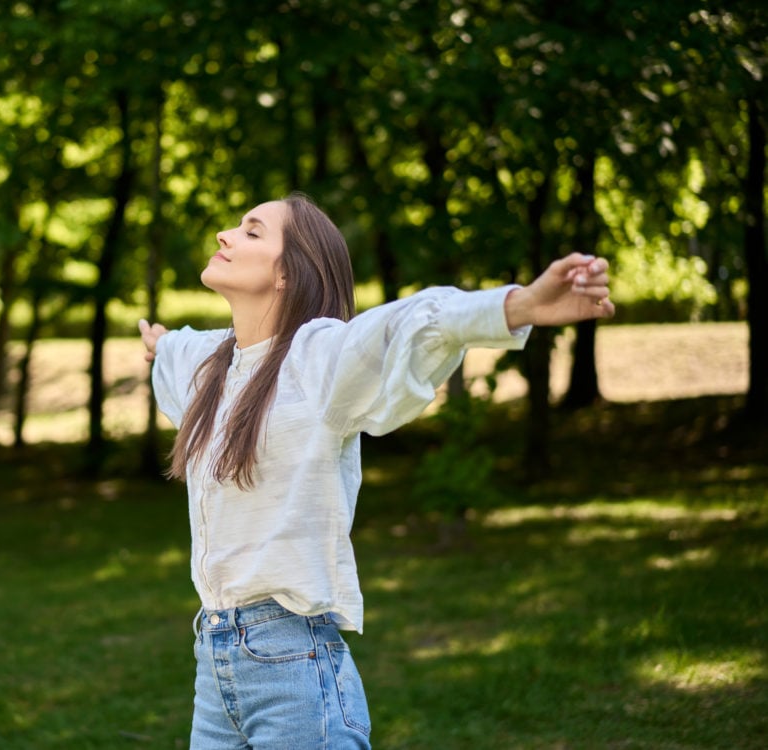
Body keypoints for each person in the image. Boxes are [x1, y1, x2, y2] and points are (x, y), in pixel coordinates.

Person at [138, 193, 614, 749]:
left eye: (251, 231)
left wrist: (520, 306)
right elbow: (178, 349)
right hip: (213, 664)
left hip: (292, 665)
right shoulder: (212, 365)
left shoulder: (318, 360)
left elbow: (406, 325)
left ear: (289, 272)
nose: (224, 234)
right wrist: (160, 343)